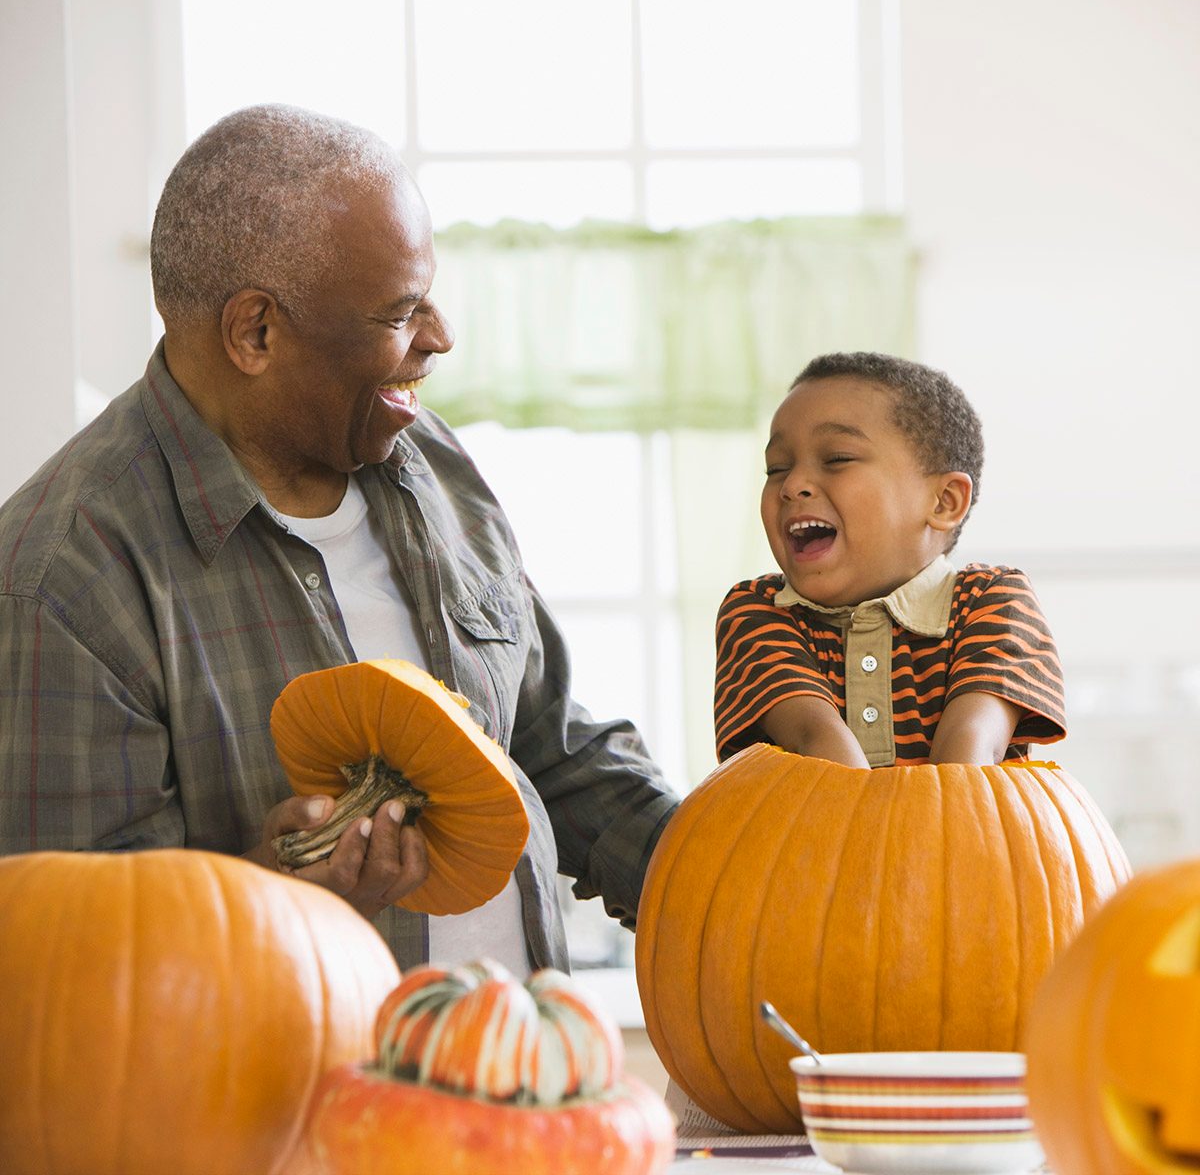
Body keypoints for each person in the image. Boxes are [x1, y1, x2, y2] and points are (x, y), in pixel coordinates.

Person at [0, 104, 678, 976]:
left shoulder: (429, 460)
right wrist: (282, 900)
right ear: (257, 333)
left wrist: (731, 869)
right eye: (400, 313)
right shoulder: (63, 576)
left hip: (522, 1088)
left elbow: (546, 744)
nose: (439, 339)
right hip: (299, 1110)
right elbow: (68, 968)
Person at [713, 351, 1066, 769]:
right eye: (776, 468)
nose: (792, 485)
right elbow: (818, 746)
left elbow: (970, 755)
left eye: (837, 459)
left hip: (958, 831)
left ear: (943, 501)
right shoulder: (757, 611)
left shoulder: (993, 603)